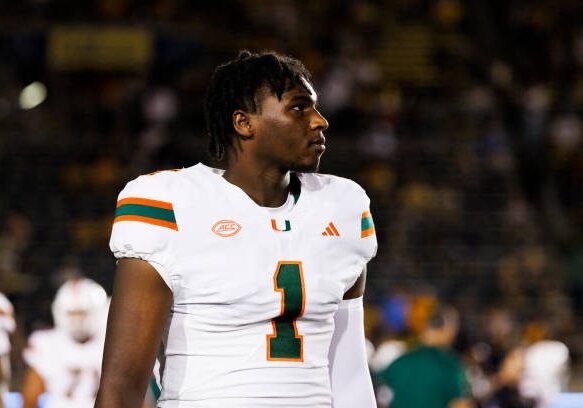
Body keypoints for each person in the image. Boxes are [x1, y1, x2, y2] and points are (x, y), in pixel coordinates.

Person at [95, 50, 378, 408]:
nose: (319, 121)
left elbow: (349, 371)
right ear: (244, 123)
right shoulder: (170, 203)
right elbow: (122, 385)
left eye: (315, 108)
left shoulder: (343, 207)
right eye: (298, 108)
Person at [21, 278, 108, 408]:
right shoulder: (46, 343)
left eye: (82, 313)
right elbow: (30, 398)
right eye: (72, 314)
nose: (77, 321)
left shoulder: (110, 344)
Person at [377, 305, 473, 408]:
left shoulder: (398, 362)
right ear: (446, 329)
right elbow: (461, 405)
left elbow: (380, 400)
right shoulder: (451, 366)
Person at [0, 293, 15, 408]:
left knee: (3, 381)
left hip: (1, 349)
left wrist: (3, 315)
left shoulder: (2, 301)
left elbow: (11, 326)